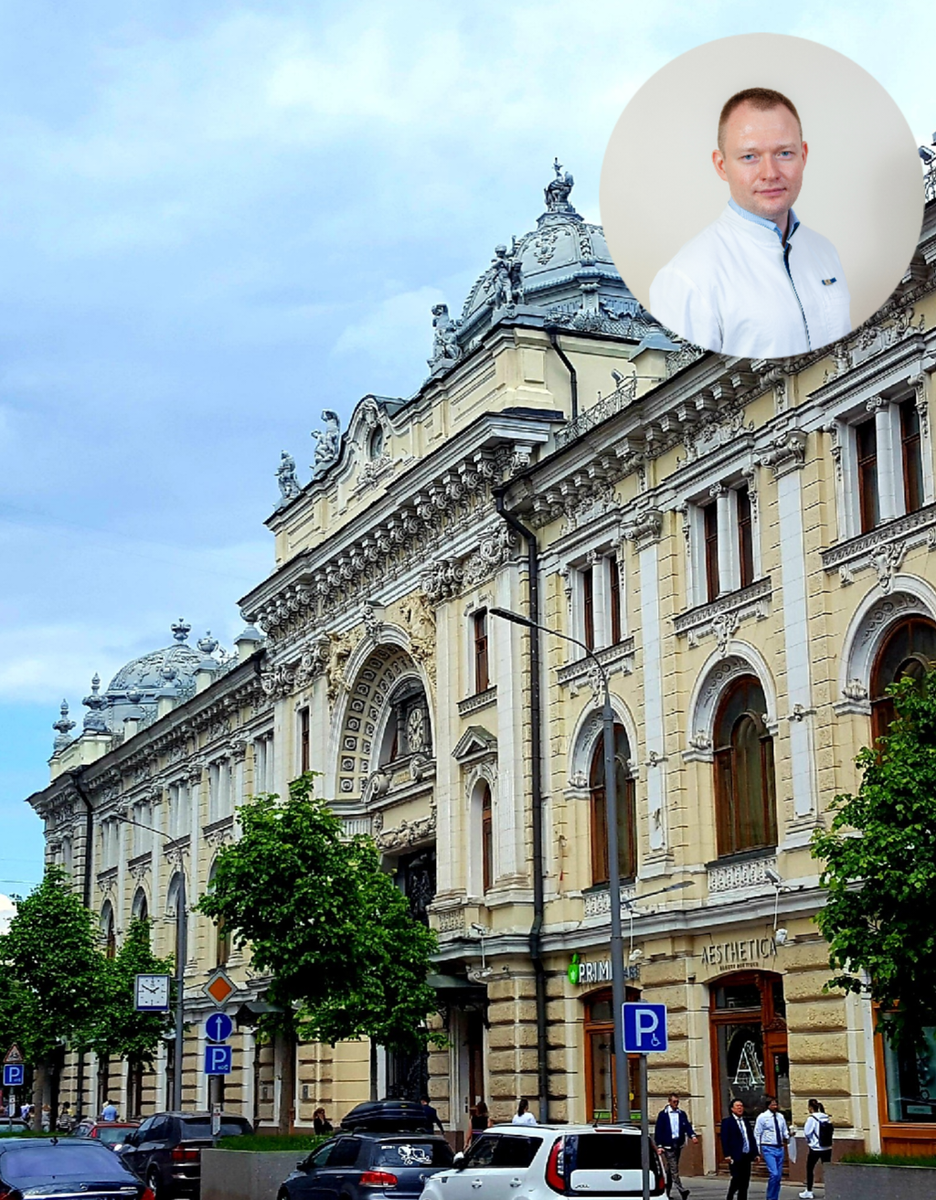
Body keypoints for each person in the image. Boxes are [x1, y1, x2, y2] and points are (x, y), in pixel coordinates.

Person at [649, 87, 851, 358]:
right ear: (721, 166)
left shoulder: (825, 252)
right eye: (749, 157)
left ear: (803, 156)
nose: (770, 173)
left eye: (784, 154)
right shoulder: (687, 278)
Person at [653, 1093, 698, 1200]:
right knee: (674, 1169)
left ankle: (666, 1192)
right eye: (674, 1102)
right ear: (669, 1101)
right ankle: (682, 1190)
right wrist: (659, 1145)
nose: (676, 1104)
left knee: (670, 1170)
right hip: (667, 1145)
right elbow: (658, 1131)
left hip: (678, 1144)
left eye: (677, 1102)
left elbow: (687, 1126)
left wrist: (693, 1136)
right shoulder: (663, 1115)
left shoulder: (681, 1114)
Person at [753, 1096, 790, 1200]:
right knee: (774, 1173)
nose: (775, 1106)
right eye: (773, 1104)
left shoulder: (780, 1117)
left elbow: (784, 1131)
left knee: (778, 1176)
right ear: (768, 1106)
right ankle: (770, 1197)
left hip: (780, 1147)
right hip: (768, 1147)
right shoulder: (762, 1117)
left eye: (776, 1104)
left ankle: (775, 1197)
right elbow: (757, 1133)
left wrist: (788, 1135)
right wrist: (757, 1150)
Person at [720, 1098, 757, 1200]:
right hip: (735, 1156)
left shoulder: (745, 1121)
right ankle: (730, 1195)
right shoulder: (727, 1122)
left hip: (746, 1155)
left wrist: (755, 1153)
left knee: (745, 1181)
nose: (740, 1108)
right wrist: (727, 1154)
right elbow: (725, 1139)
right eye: (737, 1106)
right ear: (732, 1109)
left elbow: (750, 1138)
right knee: (736, 1178)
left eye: (741, 1106)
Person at [800, 1099, 832, 1199]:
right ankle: (829, 1191)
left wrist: (810, 1142)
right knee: (827, 1169)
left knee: (810, 1169)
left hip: (815, 1148)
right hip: (827, 1147)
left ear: (810, 1108)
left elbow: (807, 1132)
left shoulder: (812, 1119)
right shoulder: (826, 1117)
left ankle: (809, 1191)